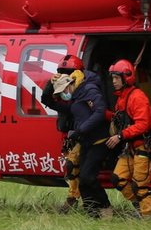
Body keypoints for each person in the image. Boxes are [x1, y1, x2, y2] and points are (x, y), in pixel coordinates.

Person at [50, 66, 112, 218]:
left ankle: (105, 207)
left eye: (64, 91)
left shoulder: (88, 90)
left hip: (100, 141)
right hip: (86, 142)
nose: (64, 95)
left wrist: (80, 130)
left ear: (70, 85)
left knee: (87, 177)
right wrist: (48, 84)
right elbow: (48, 101)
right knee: (82, 180)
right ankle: (91, 213)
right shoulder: (76, 97)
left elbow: (100, 111)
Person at [106, 59, 151, 218]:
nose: (113, 81)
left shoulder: (137, 97)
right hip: (131, 147)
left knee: (140, 185)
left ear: (126, 78)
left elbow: (143, 124)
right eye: (113, 78)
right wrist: (98, 110)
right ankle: (139, 205)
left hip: (143, 145)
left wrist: (120, 136)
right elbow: (118, 118)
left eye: (116, 78)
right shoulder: (122, 97)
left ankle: (148, 217)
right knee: (117, 179)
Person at [40, 55, 86, 213]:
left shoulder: (82, 96)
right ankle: (74, 197)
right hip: (68, 136)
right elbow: (46, 99)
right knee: (71, 167)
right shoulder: (62, 100)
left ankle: (73, 198)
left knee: (73, 165)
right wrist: (50, 84)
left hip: (81, 135)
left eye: (70, 73)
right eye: (63, 73)